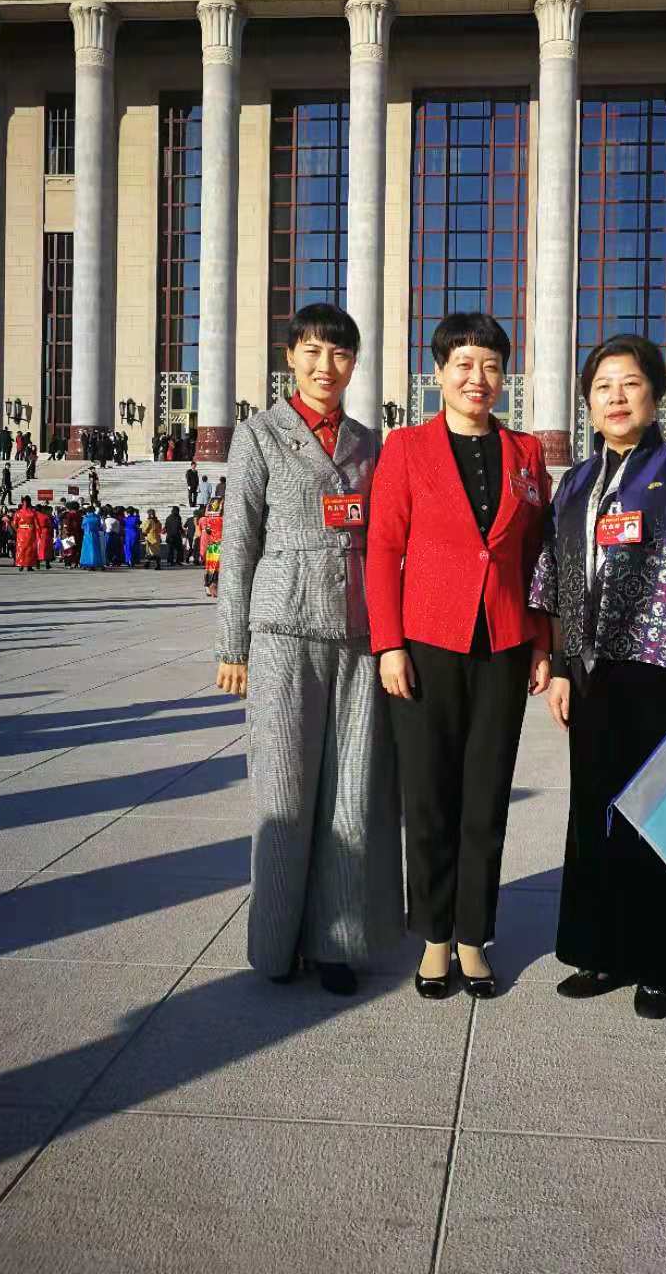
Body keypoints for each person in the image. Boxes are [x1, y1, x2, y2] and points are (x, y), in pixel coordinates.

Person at [529, 334, 666, 1019]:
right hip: (591, 672)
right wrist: (561, 666)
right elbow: (560, 577)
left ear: (654, 394)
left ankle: (664, 964)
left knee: (665, 816)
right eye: (603, 387)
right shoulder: (576, 482)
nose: (617, 397)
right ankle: (600, 950)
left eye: (630, 383)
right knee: (592, 813)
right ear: (588, 404)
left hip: (660, 669)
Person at [215, 301, 404, 997]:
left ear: (354, 364)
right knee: (285, 792)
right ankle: (274, 943)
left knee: (351, 794)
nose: (327, 366)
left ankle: (336, 943)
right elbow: (238, 544)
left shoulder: (369, 444)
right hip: (283, 630)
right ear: (291, 357)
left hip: (358, 634)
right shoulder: (259, 435)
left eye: (341, 353)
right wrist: (232, 644)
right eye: (314, 352)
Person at [367, 312, 551, 1002]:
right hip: (426, 644)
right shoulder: (407, 448)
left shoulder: (526, 453)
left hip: (503, 643)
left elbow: (537, 556)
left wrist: (542, 641)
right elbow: (383, 549)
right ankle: (434, 937)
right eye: (465, 365)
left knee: (486, 796)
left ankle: (473, 936)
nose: (479, 379)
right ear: (439, 373)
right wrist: (388, 643)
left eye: (492, 366)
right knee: (428, 798)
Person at [199, 498, 223, 597]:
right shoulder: (222, 520)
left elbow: (208, 531)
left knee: (210, 568)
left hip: (211, 546)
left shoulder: (207, 520)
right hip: (220, 546)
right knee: (218, 568)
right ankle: (214, 586)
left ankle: (208, 586)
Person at [12, 497, 39, 572]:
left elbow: (14, 524)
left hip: (21, 532)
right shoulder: (33, 512)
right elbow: (36, 524)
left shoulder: (18, 513)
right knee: (30, 549)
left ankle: (21, 565)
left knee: (21, 549)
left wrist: (18, 530)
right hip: (30, 532)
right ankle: (29, 565)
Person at [79, 506, 105, 570]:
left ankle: (87, 563)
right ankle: (96, 562)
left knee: (87, 549)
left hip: (87, 535)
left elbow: (82, 527)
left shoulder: (85, 517)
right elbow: (99, 525)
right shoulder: (97, 517)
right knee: (96, 549)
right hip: (95, 534)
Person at [60, 501, 82, 566]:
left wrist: (66, 531)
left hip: (69, 533)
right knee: (75, 549)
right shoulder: (78, 515)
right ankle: (75, 562)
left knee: (69, 549)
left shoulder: (68, 514)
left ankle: (68, 563)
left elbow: (65, 524)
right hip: (76, 533)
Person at [34, 503, 55, 571]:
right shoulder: (45, 516)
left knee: (37, 548)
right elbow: (50, 525)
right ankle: (47, 564)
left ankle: (37, 564)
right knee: (47, 548)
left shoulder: (33, 516)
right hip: (45, 533)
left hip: (35, 532)